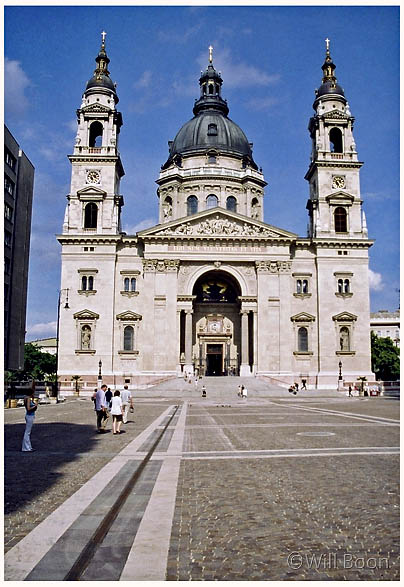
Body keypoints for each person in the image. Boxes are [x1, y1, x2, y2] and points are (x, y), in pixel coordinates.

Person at [22, 387, 37, 452]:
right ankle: (26, 448)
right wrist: (35, 405)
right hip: (30, 415)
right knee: (27, 432)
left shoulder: (26, 398)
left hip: (29, 415)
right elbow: (28, 408)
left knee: (27, 432)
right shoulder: (28, 399)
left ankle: (28, 447)